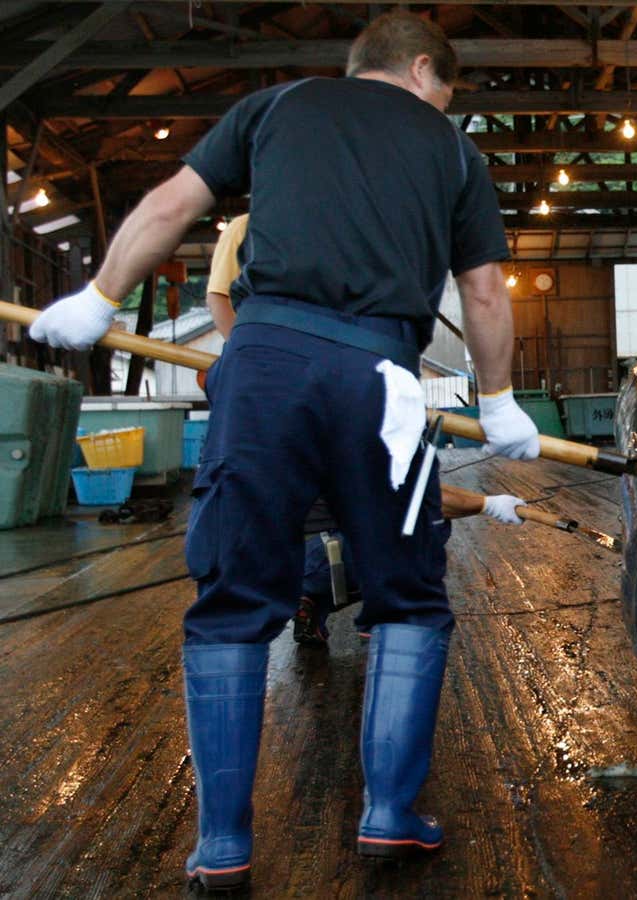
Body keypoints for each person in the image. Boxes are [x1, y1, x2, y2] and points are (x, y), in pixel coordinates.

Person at [28, 12, 543, 889]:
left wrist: (100, 297)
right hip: (377, 378)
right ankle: (388, 816)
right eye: (445, 90)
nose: (442, 103)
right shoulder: (452, 149)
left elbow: (168, 206)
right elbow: (485, 291)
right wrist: (496, 402)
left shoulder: (275, 107)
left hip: (260, 364)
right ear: (424, 69)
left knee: (232, 596)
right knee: (408, 594)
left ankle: (223, 844)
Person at [199, 215, 529, 648]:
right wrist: (487, 502)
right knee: (417, 519)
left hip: (252, 554)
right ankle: (384, 611)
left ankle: (304, 601)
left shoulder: (242, 375)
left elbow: (221, 309)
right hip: (312, 550)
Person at [294, 486, 527, 645]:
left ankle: (311, 604)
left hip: (289, 561)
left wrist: (487, 500)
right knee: (431, 524)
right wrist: (487, 504)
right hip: (326, 553)